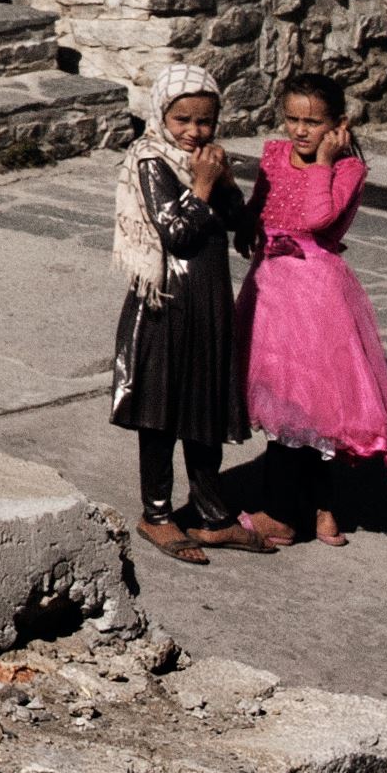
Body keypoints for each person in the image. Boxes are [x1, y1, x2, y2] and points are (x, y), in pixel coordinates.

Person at [111, 63, 271, 563]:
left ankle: (210, 514)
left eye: (205, 121)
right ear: (161, 116)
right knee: (160, 409)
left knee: (204, 403)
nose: (194, 131)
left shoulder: (205, 159)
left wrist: (225, 188)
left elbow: (231, 221)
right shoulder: (150, 160)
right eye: (182, 120)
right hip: (165, 303)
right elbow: (176, 234)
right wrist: (202, 185)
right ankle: (156, 513)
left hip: (208, 298)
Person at [244, 70, 387, 546]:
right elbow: (261, 201)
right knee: (286, 402)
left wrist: (325, 162)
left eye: (313, 122)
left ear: (339, 124)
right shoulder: (274, 153)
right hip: (270, 286)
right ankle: (323, 510)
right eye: (292, 119)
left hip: (313, 295)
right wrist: (247, 227)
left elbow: (318, 219)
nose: (299, 131)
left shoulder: (348, 169)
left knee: (308, 407)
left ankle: (279, 515)